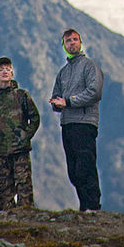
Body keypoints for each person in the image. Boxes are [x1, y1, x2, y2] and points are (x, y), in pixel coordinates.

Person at [49, 29, 103, 212]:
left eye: (75, 39)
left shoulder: (89, 66)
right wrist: (56, 103)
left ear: (81, 42)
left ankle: (93, 207)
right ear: (63, 46)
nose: (72, 43)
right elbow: (57, 94)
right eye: (68, 41)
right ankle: (84, 207)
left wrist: (69, 102)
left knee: (85, 165)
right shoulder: (63, 73)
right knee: (73, 170)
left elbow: (94, 92)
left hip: (85, 122)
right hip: (67, 123)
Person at [0, 56, 40, 211]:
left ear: (12, 74)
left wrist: (26, 135)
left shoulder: (22, 95)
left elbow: (35, 117)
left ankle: (27, 223)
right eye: (1, 70)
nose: (5, 72)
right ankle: (8, 225)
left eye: (8, 69)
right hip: (0, 151)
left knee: (24, 187)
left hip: (20, 150)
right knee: (4, 191)